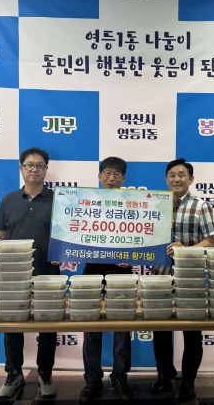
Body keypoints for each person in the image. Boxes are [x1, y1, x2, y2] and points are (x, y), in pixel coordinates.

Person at [0, 147, 61, 399]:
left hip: (49, 273)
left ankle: (45, 373)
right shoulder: (8, 200)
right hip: (14, 275)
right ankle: (14, 373)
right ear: (21, 168)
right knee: (12, 325)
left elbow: (69, 234)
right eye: (30, 165)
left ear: (46, 169)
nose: (35, 169)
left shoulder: (58, 199)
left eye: (40, 165)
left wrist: (63, 252)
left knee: (48, 326)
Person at [150, 158, 214, 402]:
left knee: (192, 332)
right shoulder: (154, 205)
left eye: (181, 175)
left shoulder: (201, 206)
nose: (176, 179)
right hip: (159, 276)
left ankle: (188, 381)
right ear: (166, 179)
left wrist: (185, 250)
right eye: (171, 175)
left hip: (190, 278)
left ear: (191, 179)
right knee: (160, 330)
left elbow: (211, 241)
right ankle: (164, 373)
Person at [79, 157, 134, 402]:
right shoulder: (85, 202)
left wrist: (131, 256)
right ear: (99, 176)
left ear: (124, 179)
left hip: (121, 275)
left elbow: (142, 237)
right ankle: (92, 379)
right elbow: (75, 232)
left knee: (122, 329)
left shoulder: (134, 205)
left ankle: (120, 377)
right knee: (91, 328)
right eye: (107, 173)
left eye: (117, 174)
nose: (112, 178)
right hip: (92, 272)